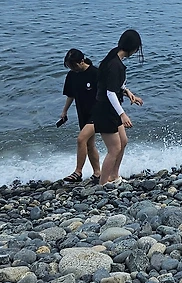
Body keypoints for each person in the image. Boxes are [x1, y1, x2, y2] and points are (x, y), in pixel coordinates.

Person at [93, 30, 145, 184]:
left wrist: (127, 92)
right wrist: (123, 114)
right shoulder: (115, 65)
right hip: (105, 110)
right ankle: (103, 184)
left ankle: (114, 176)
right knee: (114, 149)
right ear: (133, 47)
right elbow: (110, 92)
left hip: (109, 108)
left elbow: (112, 84)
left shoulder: (114, 56)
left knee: (123, 141)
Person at [57, 49, 100, 183]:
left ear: (81, 61)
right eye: (69, 67)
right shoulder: (71, 75)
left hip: (97, 112)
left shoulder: (95, 73)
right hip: (82, 112)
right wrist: (65, 111)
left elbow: (108, 92)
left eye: (73, 66)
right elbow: (71, 95)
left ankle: (78, 172)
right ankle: (97, 173)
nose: (72, 69)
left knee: (81, 139)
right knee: (89, 144)